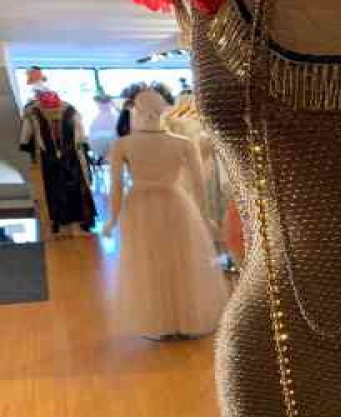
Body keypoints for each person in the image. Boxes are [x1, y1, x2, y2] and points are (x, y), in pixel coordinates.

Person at [102, 89, 227, 339]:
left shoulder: (123, 144)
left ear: (135, 109)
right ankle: (184, 319)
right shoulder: (183, 143)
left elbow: (116, 186)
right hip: (175, 202)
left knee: (150, 262)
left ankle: (162, 322)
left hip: (140, 206)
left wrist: (112, 218)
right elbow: (199, 186)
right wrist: (205, 216)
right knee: (182, 259)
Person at [20, 89, 97, 238]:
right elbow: (26, 136)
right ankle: (60, 225)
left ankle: (77, 224)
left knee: (75, 189)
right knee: (53, 190)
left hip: (71, 156)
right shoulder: (33, 113)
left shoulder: (70, 110)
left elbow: (80, 132)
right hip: (48, 157)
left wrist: (83, 146)